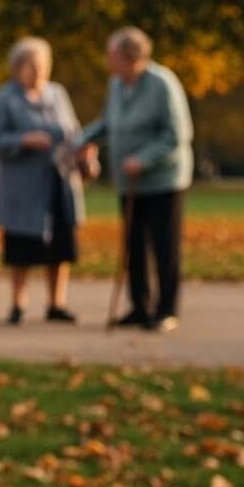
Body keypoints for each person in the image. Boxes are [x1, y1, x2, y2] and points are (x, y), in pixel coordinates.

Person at [78, 27, 193, 334]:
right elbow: (108, 122)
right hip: (129, 182)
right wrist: (82, 139)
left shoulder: (162, 83)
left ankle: (166, 309)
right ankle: (139, 307)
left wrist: (143, 159)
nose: (107, 59)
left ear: (129, 56)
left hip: (163, 181)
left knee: (164, 245)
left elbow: (177, 134)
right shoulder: (117, 84)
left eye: (111, 54)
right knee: (133, 244)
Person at [0, 37, 86, 325]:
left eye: (43, 65)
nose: (39, 72)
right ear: (17, 68)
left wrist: (83, 150)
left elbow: (74, 132)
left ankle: (56, 302)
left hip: (58, 179)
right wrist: (24, 140)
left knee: (62, 243)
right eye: (33, 66)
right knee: (22, 246)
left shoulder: (57, 94)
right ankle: (18, 303)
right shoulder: (4, 99)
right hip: (21, 186)